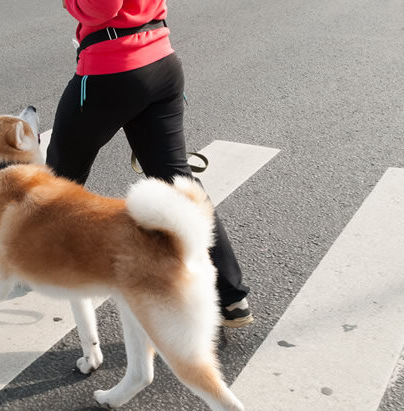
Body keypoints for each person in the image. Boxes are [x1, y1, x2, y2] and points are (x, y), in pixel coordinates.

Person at [47, 0, 252, 328]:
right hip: (160, 61)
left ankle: (39, 261)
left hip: (111, 70)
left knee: (59, 174)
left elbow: (103, 7)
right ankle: (230, 296)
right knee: (177, 183)